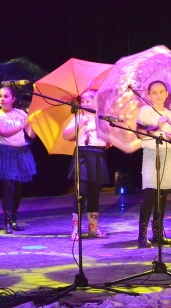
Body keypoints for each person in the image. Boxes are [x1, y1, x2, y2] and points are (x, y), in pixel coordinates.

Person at [135, 80, 171, 249]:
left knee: (162, 197)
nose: (158, 95)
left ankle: (158, 234)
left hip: (167, 154)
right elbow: (139, 134)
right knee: (150, 195)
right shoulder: (145, 111)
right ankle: (142, 236)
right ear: (149, 95)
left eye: (161, 92)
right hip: (151, 154)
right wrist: (157, 126)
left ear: (166, 94)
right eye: (154, 92)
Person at [0, 85, 37, 234]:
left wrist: (34, 122)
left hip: (21, 153)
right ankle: (7, 221)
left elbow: (31, 134)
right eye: (0, 96)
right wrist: (23, 124)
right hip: (5, 153)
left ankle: (14, 219)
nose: (2, 99)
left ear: (13, 99)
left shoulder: (21, 113)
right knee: (9, 187)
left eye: (6, 96)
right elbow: (4, 133)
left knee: (18, 188)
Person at [62, 89, 109, 241]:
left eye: (89, 101)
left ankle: (93, 228)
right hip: (82, 154)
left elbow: (109, 139)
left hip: (97, 155)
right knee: (80, 191)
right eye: (83, 101)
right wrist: (80, 124)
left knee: (94, 192)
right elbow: (66, 135)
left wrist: (96, 129)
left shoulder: (101, 118)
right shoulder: (78, 117)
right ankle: (76, 228)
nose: (85, 104)